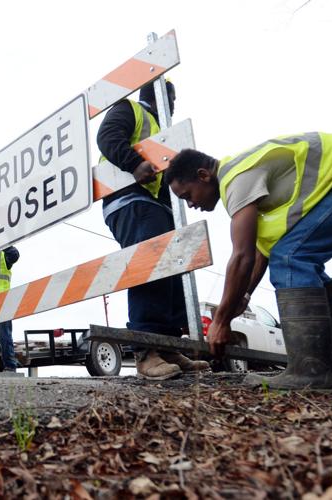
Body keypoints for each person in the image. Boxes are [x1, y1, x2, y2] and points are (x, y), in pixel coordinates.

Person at [164, 132, 332, 389]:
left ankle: (308, 373)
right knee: (295, 256)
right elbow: (263, 251)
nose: (190, 204)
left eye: (187, 195)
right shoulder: (243, 178)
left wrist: (221, 321)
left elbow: (242, 255)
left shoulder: (236, 178)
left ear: (204, 175)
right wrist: (243, 296)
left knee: (292, 258)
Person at [96, 80, 208, 380]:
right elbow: (107, 137)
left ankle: (167, 346)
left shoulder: (163, 132)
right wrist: (134, 164)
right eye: (171, 99)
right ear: (159, 96)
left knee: (170, 269)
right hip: (128, 200)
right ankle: (146, 351)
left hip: (156, 207)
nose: (173, 105)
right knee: (148, 264)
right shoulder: (130, 109)